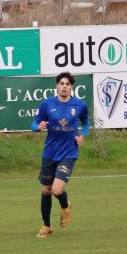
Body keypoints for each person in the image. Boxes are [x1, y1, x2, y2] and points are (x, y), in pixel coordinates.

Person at [31, 72, 89, 239]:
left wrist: (82, 135)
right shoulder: (47, 104)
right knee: (46, 190)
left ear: (71, 87)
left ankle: (65, 205)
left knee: (57, 189)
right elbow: (34, 124)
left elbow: (86, 123)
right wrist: (38, 127)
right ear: (57, 86)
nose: (64, 87)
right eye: (61, 83)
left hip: (69, 153)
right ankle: (47, 226)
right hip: (49, 153)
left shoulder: (80, 105)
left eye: (67, 84)